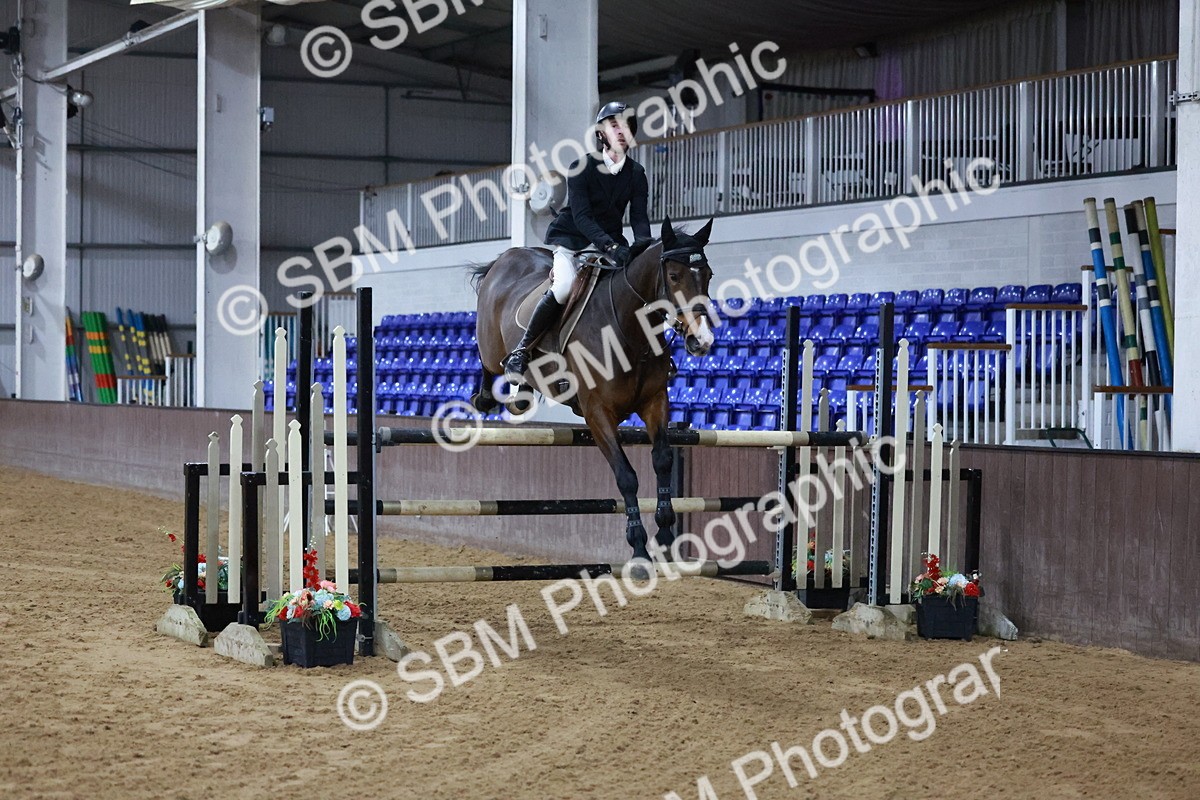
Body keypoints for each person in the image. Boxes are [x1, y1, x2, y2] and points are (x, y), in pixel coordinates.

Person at [502, 100, 653, 384]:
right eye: (614, 126)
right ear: (601, 134)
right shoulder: (581, 167)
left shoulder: (636, 174)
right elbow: (583, 217)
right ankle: (522, 351)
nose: (622, 131)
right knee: (563, 288)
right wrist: (611, 246)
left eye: (627, 126)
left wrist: (641, 247)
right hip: (574, 243)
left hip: (610, 246)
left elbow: (640, 218)